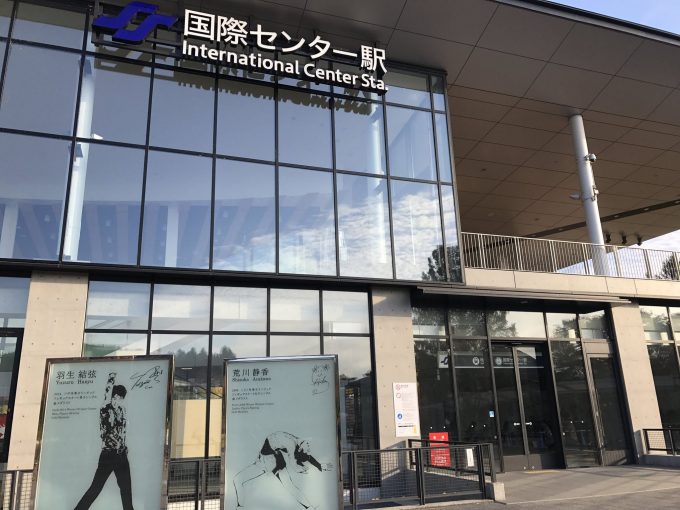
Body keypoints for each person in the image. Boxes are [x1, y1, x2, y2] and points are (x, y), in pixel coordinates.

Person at [74, 372, 134, 510]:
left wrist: (124, 446)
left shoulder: (122, 410)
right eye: (118, 397)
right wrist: (111, 377)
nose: (119, 400)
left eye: (121, 398)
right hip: (108, 454)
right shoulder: (105, 408)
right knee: (96, 488)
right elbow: (107, 392)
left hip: (121, 454)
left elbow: (123, 431)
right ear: (114, 396)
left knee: (126, 488)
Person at [233, 431, 333, 509]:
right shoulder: (294, 442)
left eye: (307, 448)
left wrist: (307, 467)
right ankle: (309, 507)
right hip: (273, 458)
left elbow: (297, 463)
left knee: (237, 480)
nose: (309, 446)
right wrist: (318, 466)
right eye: (308, 445)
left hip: (268, 460)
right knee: (290, 486)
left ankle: (240, 508)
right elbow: (305, 457)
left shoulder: (294, 444)